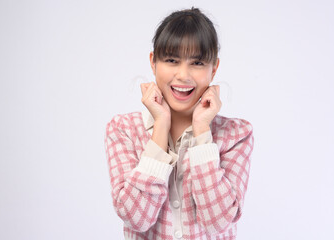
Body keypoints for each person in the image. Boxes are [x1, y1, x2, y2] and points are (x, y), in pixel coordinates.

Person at [104, 7, 254, 240]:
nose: (183, 75)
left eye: (197, 63)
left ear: (214, 68)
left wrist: (202, 131)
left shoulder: (236, 135)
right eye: (172, 60)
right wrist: (160, 128)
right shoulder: (123, 130)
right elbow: (135, 217)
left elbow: (218, 221)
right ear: (153, 62)